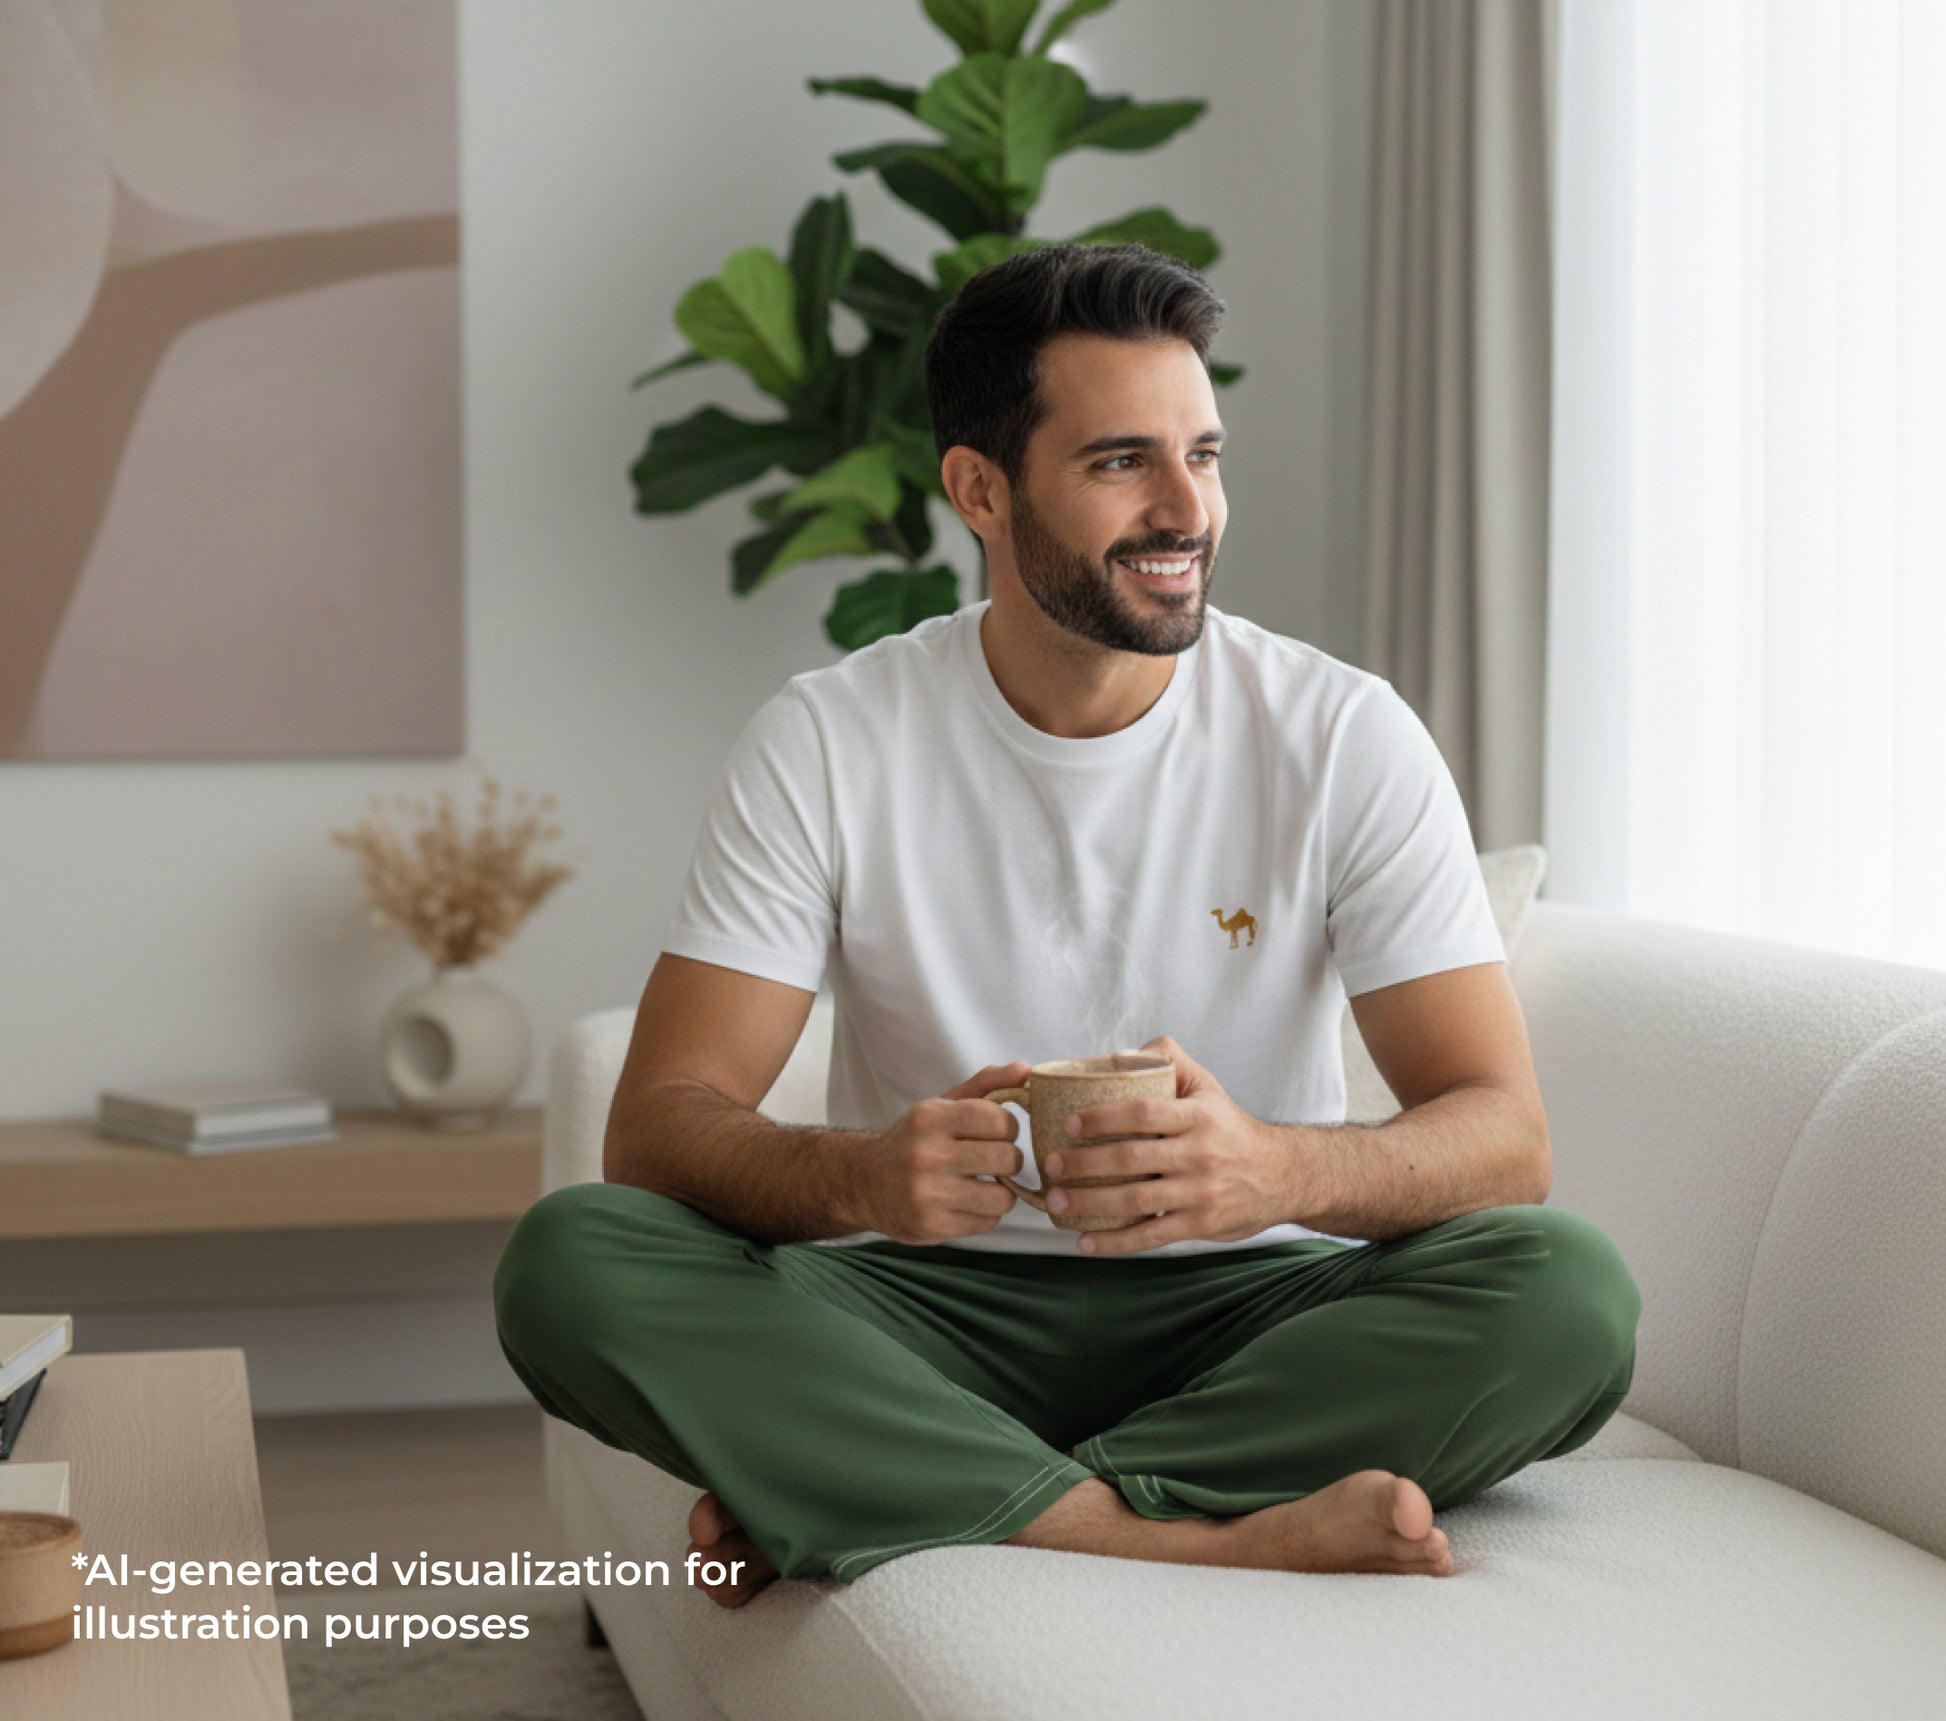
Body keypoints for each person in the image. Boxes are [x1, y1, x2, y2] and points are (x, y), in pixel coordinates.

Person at [493, 243, 1641, 1607]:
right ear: (979, 489)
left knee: (1564, 1288)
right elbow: (661, 1124)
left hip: (1244, 1310)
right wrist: (864, 1180)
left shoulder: (1341, 733)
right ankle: (1170, 1527)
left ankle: (883, 1481)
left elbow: (1502, 1134)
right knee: (570, 1261)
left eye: (1201, 455)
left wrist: (1272, 1171)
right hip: (924, 1309)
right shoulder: (830, 737)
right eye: (1119, 464)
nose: (1185, 510)